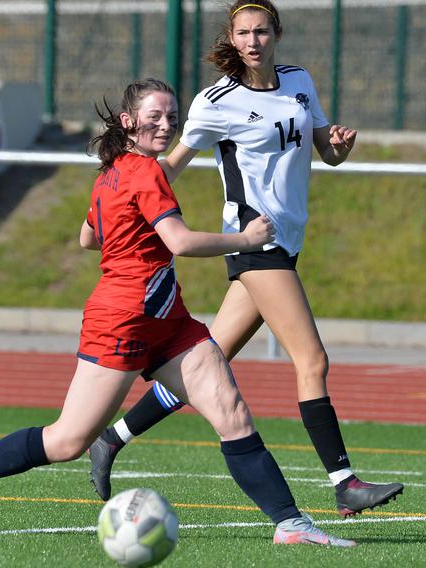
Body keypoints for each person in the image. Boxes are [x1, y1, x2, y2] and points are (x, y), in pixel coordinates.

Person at [0, 78, 355, 547]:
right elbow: (178, 242)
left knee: (232, 413)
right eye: (155, 117)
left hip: (168, 319)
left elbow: (87, 236)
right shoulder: (145, 172)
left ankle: (291, 524)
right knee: (66, 442)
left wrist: (125, 230)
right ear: (128, 122)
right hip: (121, 319)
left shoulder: (114, 173)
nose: (166, 125)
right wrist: (245, 240)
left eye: (172, 118)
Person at [89, 1, 404, 519]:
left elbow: (324, 149)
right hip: (255, 244)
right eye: (243, 33)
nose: (253, 40)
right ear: (232, 39)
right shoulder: (217, 101)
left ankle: (112, 438)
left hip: (288, 244)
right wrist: (112, 200)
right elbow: (164, 171)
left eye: (261, 31)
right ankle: (344, 483)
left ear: (276, 33)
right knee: (313, 360)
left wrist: (339, 146)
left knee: (208, 363)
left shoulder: (300, 79)